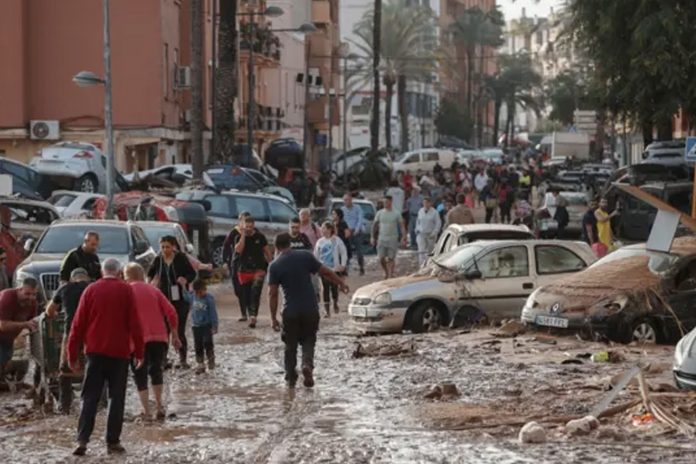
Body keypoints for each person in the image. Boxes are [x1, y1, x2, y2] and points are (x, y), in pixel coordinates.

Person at [67, 258, 144, 456]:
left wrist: (71, 354)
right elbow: (135, 323)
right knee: (116, 398)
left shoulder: (90, 290)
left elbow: (77, 324)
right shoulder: (126, 290)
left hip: (94, 352)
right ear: (119, 273)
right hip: (119, 353)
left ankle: (82, 440)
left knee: (89, 397)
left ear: (102, 272)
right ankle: (113, 441)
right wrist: (140, 352)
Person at [268, 233, 349, 388]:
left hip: (290, 311)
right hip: (310, 309)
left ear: (276, 247)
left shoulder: (275, 265)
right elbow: (326, 272)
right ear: (290, 243)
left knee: (290, 345)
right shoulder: (305, 256)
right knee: (308, 340)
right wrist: (341, 284)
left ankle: (291, 378)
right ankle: (307, 365)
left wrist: (273, 318)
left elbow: (272, 294)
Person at [124, 263, 180, 421]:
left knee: (139, 374)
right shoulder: (154, 290)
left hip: (136, 341)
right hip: (159, 338)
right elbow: (171, 312)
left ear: (126, 277)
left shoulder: (126, 292)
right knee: (156, 371)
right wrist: (174, 334)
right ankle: (159, 405)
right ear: (142, 276)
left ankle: (146, 411)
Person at [46, 268, 91, 413]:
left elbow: (49, 311)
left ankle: (65, 406)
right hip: (91, 334)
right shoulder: (92, 287)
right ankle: (95, 404)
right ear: (87, 278)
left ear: (72, 279)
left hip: (71, 332)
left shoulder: (64, 288)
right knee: (92, 367)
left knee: (65, 370)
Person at [147, 236, 197, 368]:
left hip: (180, 299)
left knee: (179, 330)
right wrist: (152, 282)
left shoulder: (180, 258)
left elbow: (192, 273)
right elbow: (150, 273)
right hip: (163, 299)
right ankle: (163, 359)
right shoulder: (158, 259)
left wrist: (185, 279)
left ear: (173, 246)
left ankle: (183, 359)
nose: (165, 250)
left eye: (167, 247)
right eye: (162, 247)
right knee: (164, 330)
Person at [234, 216, 271, 328]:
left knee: (255, 292)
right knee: (246, 295)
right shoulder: (238, 237)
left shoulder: (260, 237)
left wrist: (271, 264)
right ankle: (250, 314)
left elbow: (267, 252)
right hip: (244, 270)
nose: (249, 228)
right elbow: (239, 250)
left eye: (250, 226)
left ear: (254, 225)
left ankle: (253, 316)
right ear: (243, 226)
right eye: (247, 226)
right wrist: (243, 236)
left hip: (259, 269)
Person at [0, 278, 38, 380]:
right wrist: (24, 324)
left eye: (34, 294)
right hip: (3, 333)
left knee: (5, 359)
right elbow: (2, 325)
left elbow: (33, 324)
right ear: (19, 289)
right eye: (27, 294)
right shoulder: (7, 298)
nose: (30, 297)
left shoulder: (32, 303)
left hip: (8, 338)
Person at [314, 222, 348, 316]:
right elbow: (316, 255)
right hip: (323, 269)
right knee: (325, 288)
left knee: (334, 287)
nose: (322, 230)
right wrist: (315, 267)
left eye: (324, 228)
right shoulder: (320, 242)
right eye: (322, 228)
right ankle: (327, 310)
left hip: (335, 269)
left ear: (329, 229)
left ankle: (335, 303)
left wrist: (343, 265)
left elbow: (343, 252)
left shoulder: (337, 240)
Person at [223, 211, 252, 322]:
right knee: (238, 290)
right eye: (243, 220)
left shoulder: (254, 233)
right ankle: (244, 311)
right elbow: (225, 247)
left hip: (249, 266)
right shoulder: (234, 233)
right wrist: (225, 261)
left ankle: (248, 313)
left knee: (248, 289)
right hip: (235, 264)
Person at [371, 195, 408, 279]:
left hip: (393, 238)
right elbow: (374, 225)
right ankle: (386, 271)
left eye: (387, 202)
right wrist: (372, 237)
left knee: (391, 258)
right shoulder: (379, 213)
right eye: (384, 202)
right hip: (381, 238)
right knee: (381, 258)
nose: (385, 204)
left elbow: (402, 225)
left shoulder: (396, 213)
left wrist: (404, 237)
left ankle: (390, 274)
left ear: (391, 202)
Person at [190, 279, 218, 374]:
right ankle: (200, 363)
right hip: (196, 326)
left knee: (208, 343)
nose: (199, 294)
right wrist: (182, 287)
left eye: (201, 292)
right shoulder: (193, 297)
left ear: (205, 289)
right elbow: (186, 296)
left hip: (207, 325)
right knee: (198, 345)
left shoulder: (209, 299)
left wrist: (214, 326)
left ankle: (211, 359)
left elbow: (213, 313)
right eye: (197, 292)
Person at [341, 193, 365, 275]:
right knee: (346, 250)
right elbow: (342, 221)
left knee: (359, 251)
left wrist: (357, 229)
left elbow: (360, 219)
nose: (346, 202)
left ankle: (361, 267)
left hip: (357, 231)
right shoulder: (342, 209)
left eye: (347, 200)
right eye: (344, 200)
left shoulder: (357, 208)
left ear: (351, 200)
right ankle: (345, 268)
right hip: (347, 231)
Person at [415, 197, 442, 266]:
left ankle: (429, 265)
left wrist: (435, 232)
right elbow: (418, 221)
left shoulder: (435, 212)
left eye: (427, 203)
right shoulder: (420, 211)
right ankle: (422, 265)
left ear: (430, 203)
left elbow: (438, 223)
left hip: (430, 234)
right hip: (421, 233)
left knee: (430, 251)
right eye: (424, 203)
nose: (425, 204)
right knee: (421, 250)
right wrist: (417, 229)